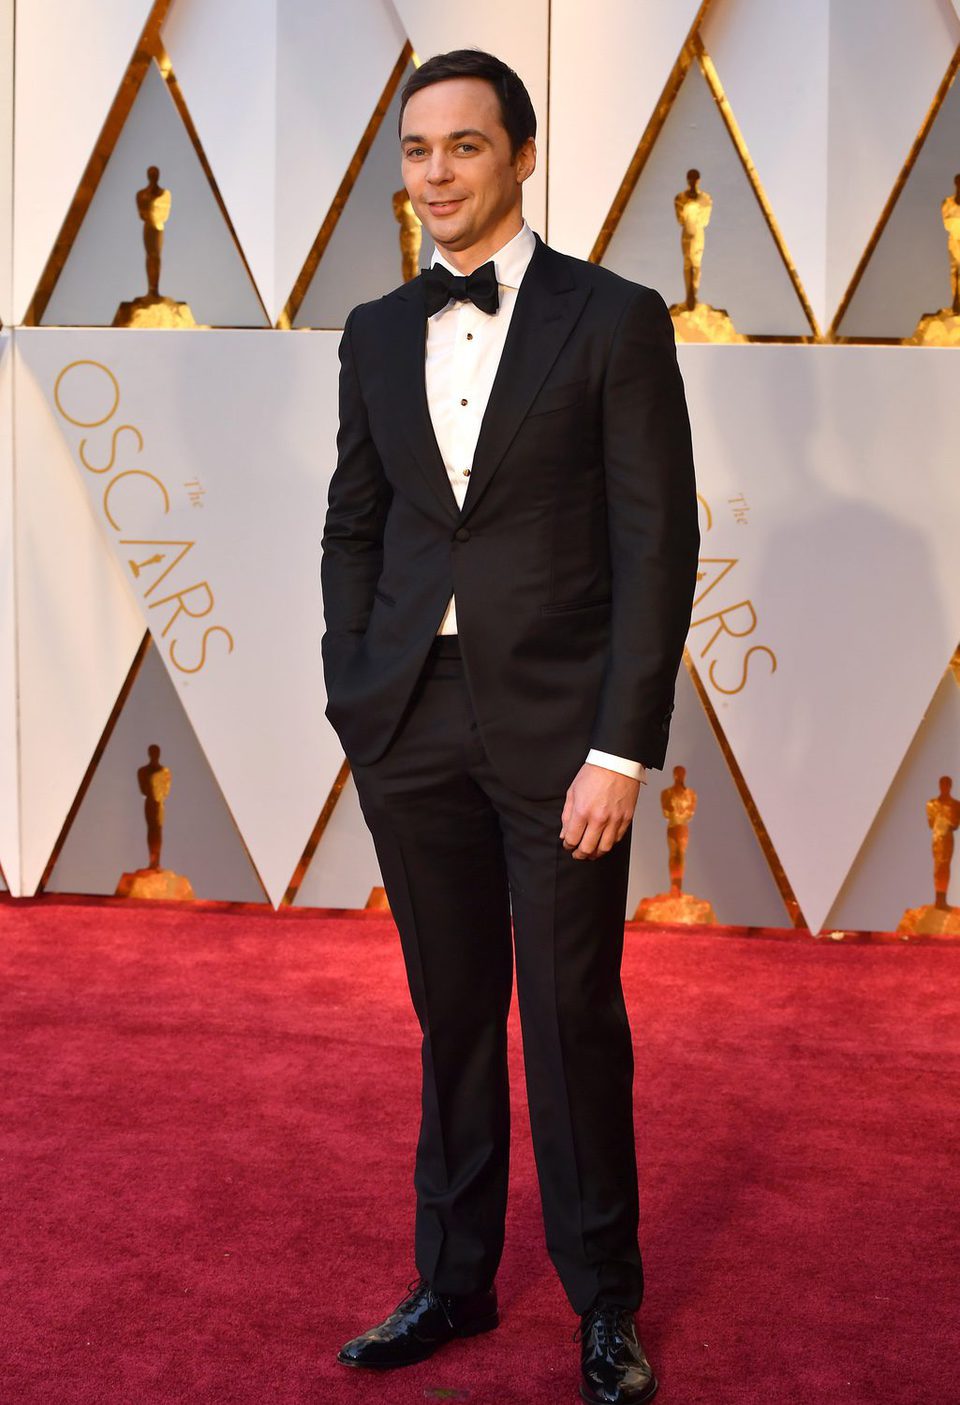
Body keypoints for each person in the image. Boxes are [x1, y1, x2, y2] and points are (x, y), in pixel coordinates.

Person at [320, 48, 699, 1405]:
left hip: (562, 737)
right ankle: (454, 1280)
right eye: (417, 152)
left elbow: (657, 542)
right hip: (410, 723)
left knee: (572, 1017)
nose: (434, 176)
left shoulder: (614, 318)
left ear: (519, 156)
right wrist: (353, 680)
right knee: (453, 1013)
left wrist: (621, 746)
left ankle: (606, 1304)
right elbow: (355, 520)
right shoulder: (372, 330)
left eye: (463, 148)